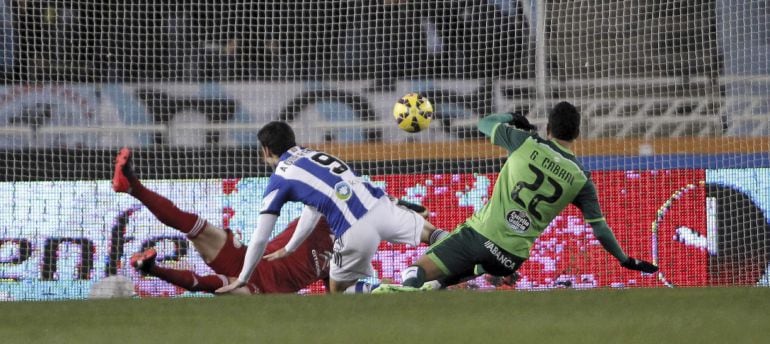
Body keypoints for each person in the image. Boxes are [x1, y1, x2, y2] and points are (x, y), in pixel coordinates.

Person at [374, 102, 659, 293]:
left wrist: (513, 118)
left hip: (480, 236)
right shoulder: (581, 178)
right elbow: (600, 229)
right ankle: (478, 272)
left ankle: (401, 302)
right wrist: (624, 260)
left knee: (417, 270)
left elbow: (485, 124)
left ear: (548, 128)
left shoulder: (525, 142)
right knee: (440, 283)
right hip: (511, 258)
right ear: (577, 133)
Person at [215, 121, 450, 294]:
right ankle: (467, 262)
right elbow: (313, 209)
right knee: (432, 234)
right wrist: (290, 247)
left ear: (266, 150)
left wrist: (243, 278)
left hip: (352, 227)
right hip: (380, 205)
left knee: (339, 291)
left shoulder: (280, 179)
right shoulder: (314, 154)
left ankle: (389, 290)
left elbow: (259, 238)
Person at [112, 147, 334, 294]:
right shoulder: (319, 217)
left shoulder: (346, 254)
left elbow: (338, 294)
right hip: (247, 258)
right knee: (196, 226)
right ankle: (132, 186)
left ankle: (151, 269)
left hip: (264, 292)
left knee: (217, 286)